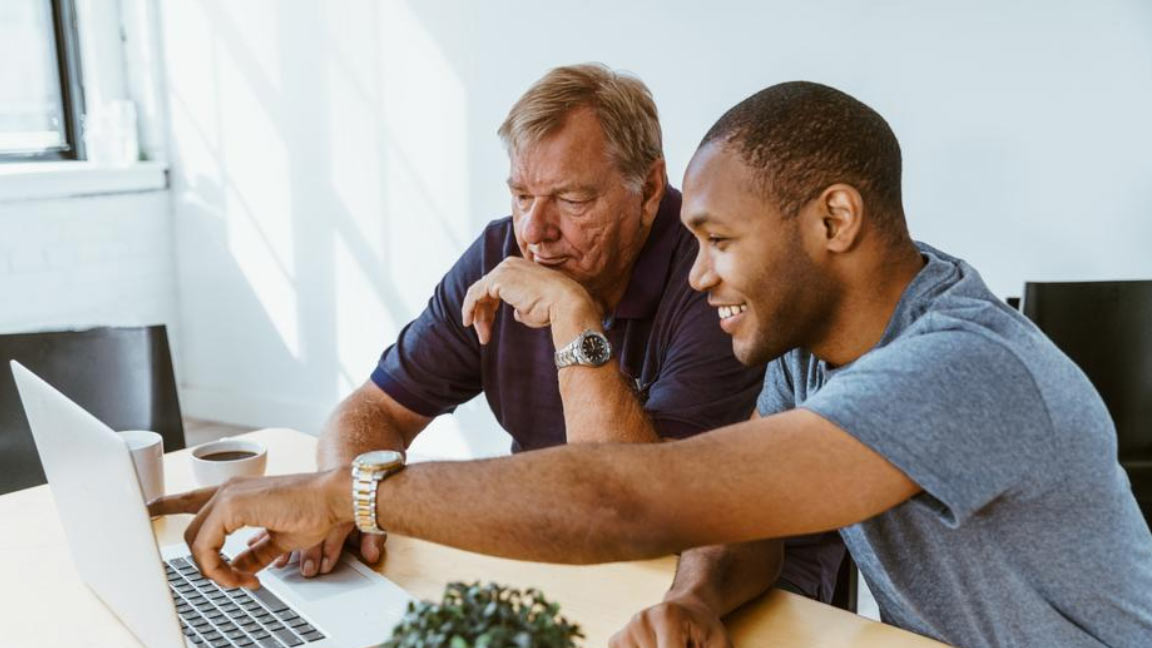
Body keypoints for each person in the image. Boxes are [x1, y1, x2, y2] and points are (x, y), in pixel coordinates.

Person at [152, 81, 1152, 648]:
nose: (704, 276)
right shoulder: (814, 352)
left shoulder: (961, 368)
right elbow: (740, 522)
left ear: (834, 220)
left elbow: (630, 500)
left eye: (719, 241)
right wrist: (697, 595)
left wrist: (344, 494)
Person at [279, 62, 841, 605]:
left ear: (648, 190)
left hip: (731, 582)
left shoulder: (714, 274)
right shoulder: (501, 256)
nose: (534, 233)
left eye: (572, 201)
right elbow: (373, 411)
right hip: (562, 554)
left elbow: (638, 511)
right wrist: (341, 499)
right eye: (521, 195)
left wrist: (573, 315)